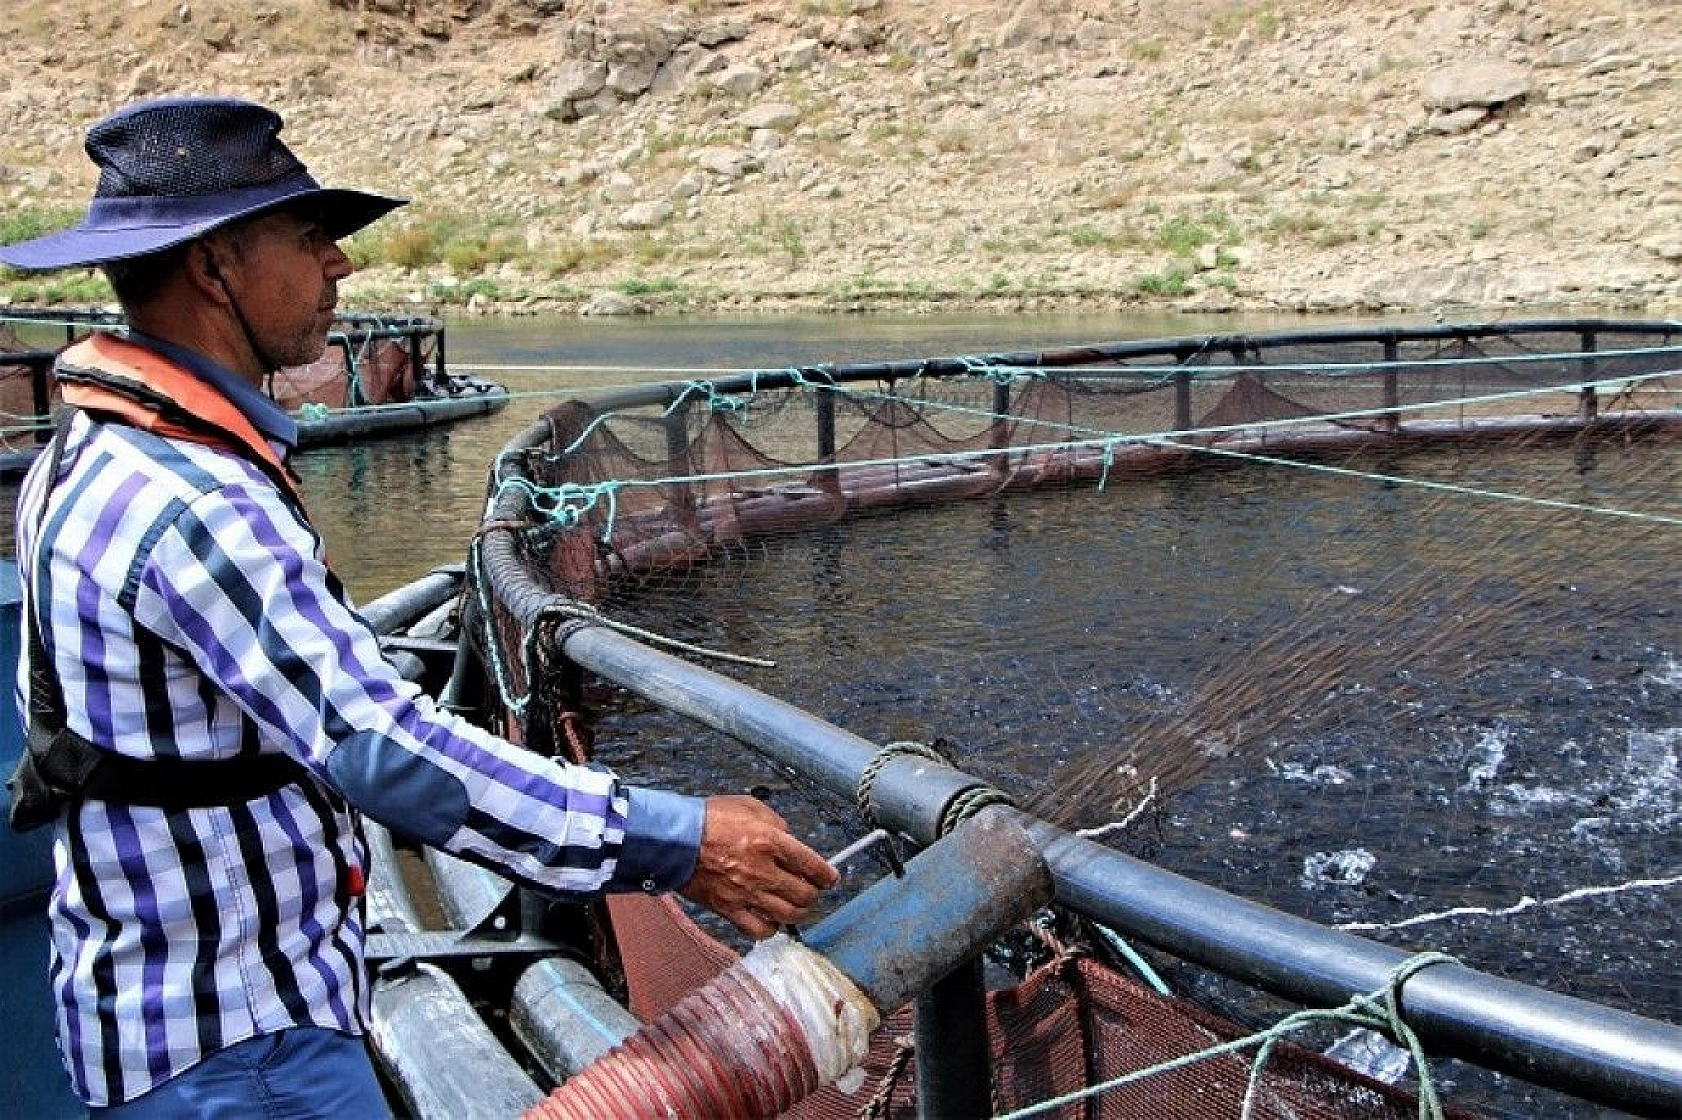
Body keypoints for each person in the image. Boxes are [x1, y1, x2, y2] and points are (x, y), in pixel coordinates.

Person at [1, 96, 838, 1118]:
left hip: (146, 1014)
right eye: (309, 238)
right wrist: (678, 839)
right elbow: (383, 752)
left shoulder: (84, 448)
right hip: (241, 1049)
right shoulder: (198, 498)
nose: (338, 267)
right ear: (214, 267)